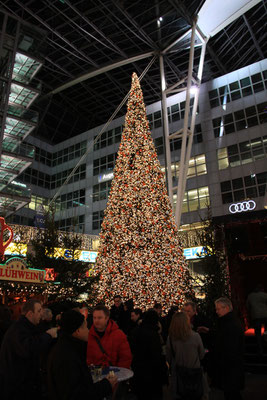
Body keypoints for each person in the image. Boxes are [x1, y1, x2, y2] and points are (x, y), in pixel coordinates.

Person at [47, 309, 116, 400]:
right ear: (78, 331)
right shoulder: (67, 356)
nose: (88, 331)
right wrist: (106, 385)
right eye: (86, 327)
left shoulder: (68, 348)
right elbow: (77, 394)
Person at [0, 299, 57, 400]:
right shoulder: (19, 330)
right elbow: (29, 348)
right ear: (30, 314)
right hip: (18, 387)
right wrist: (48, 335)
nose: (41, 314)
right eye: (39, 311)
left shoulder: (26, 327)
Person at [130, 309, 168, 400]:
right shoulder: (153, 334)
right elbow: (157, 355)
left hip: (139, 369)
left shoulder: (136, 331)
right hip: (152, 373)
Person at [211, 297, 244, 400]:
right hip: (230, 367)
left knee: (232, 394)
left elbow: (230, 347)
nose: (216, 312)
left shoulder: (230, 325)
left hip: (230, 367)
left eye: (218, 309)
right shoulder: (229, 322)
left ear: (226, 308)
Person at [166, 311, 205, 400]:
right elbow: (201, 354)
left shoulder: (171, 338)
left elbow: (169, 357)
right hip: (194, 371)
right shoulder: (195, 336)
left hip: (179, 373)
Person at [246, 284, 267, 355]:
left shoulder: (250, 296)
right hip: (265, 315)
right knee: (266, 331)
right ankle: (265, 341)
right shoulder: (265, 295)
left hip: (256, 316)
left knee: (257, 333)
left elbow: (247, 306)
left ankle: (260, 349)